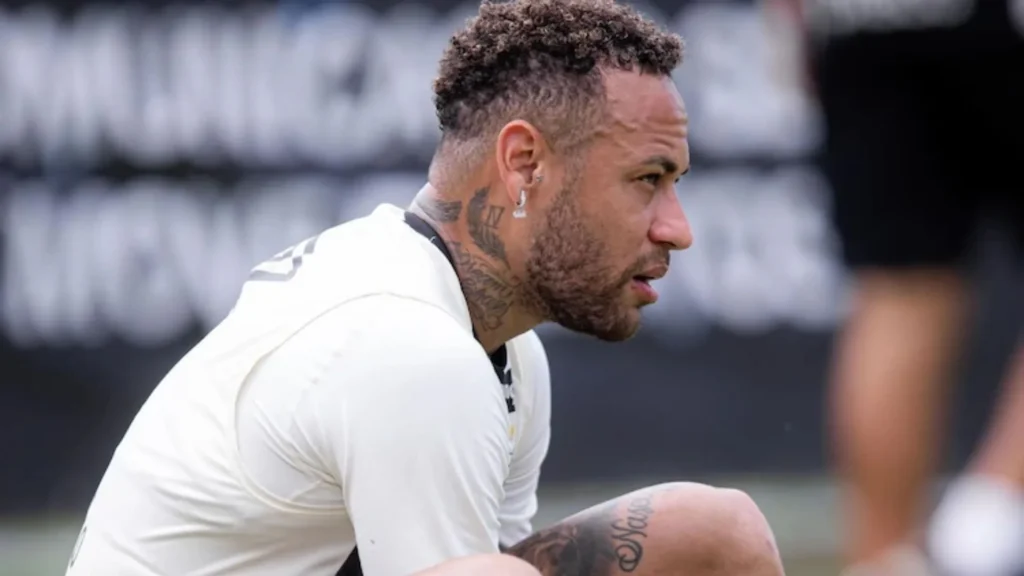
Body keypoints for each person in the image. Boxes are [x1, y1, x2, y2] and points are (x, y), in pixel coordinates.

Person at [65, 1, 786, 575]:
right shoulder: (413, 346)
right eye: (647, 180)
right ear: (524, 163)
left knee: (716, 534)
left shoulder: (498, 347)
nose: (677, 229)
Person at [800, 0, 1024, 573]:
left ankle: (887, 561)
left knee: (900, 290)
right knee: (900, 289)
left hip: (860, 20)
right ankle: (976, 536)